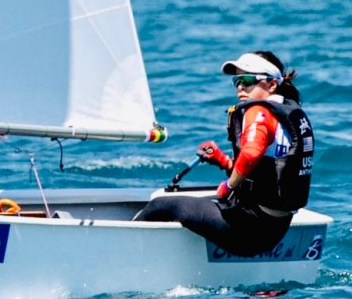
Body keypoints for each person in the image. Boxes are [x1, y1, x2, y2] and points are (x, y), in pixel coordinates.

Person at [134, 50, 314, 257]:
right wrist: (223, 161)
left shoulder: (258, 112)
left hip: (251, 227)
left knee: (161, 205)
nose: (240, 87)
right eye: (237, 81)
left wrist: (229, 185)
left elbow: (251, 154)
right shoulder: (285, 112)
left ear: (272, 84)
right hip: (275, 226)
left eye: (248, 80)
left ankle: (126, 254)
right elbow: (266, 173)